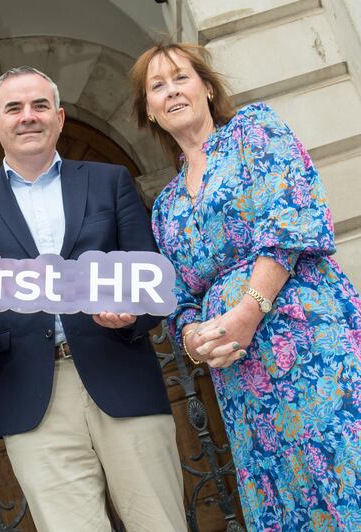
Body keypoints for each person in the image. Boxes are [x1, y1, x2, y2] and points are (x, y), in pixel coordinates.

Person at [0, 66, 186, 532]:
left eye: (39, 105)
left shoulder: (109, 180)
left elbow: (154, 279)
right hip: (30, 399)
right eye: (14, 108)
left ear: (59, 118)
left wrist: (133, 313)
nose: (27, 116)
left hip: (121, 376)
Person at [130, 42, 361, 529]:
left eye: (181, 78)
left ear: (208, 88)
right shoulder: (165, 206)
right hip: (242, 377)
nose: (172, 92)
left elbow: (289, 218)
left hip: (308, 341)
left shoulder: (254, 130)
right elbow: (178, 297)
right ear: (149, 110)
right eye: (158, 86)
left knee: (343, 465)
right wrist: (192, 339)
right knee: (285, 492)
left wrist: (248, 311)